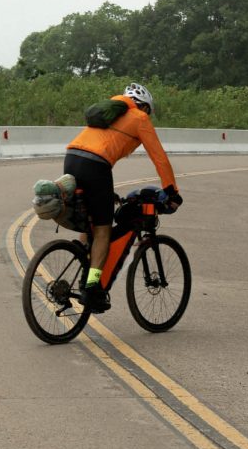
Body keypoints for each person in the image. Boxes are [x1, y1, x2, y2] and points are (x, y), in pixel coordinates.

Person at [64, 82, 183, 312]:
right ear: (144, 107)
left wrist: (108, 193)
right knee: (102, 231)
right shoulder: (139, 118)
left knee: (91, 220)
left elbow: (97, 146)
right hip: (96, 166)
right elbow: (159, 158)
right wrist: (171, 191)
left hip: (71, 158)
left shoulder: (107, 114)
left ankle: (80, 252)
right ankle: (91, 285)